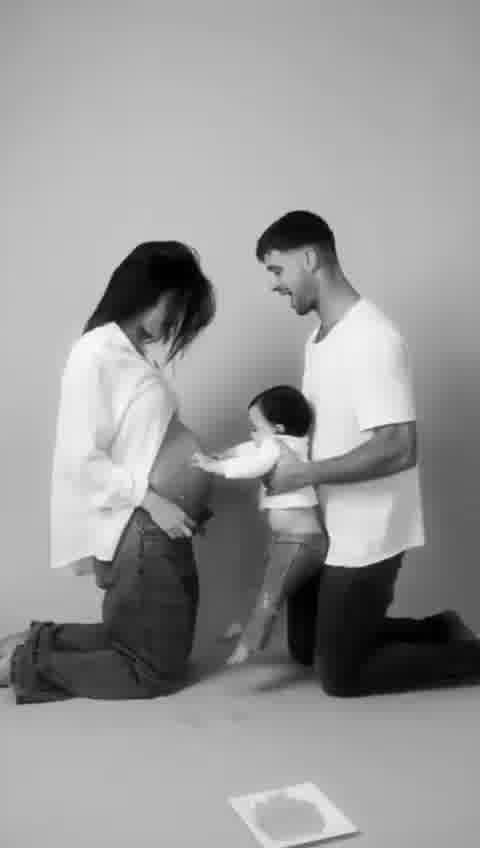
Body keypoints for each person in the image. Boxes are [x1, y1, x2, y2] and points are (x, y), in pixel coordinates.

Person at [255, 210, 480, 697]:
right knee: (304, 647)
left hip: (368, 532)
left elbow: (398, 448)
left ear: (309, 258)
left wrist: (302, 475)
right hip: (328, 527)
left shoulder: (373, 338)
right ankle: (439, 629)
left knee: (341, 676)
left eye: (277, 269)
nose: (274, 284)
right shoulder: (318, 340)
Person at [0, 241, 216, 702]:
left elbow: (144, 442)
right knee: (153, 671)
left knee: (144, 646)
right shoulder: (95, 352)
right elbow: (80, 457)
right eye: (176, 303)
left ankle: (32, 645)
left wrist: (189, 496)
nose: (177, 319)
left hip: (159, 527)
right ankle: (19, 664)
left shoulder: (128, 353)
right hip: (143, 527)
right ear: (148, 290)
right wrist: (156, 501)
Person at [193, 385, 328, 663]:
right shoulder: (290, 443)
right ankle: (244, 626)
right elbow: (249, 450)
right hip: (289, 539)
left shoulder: (276, 446)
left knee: (271, 593)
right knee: (262, 585)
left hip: (301, 542)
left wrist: (215, 466)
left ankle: (248, 645)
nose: (252, 433)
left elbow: (254, 464)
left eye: (256, 427)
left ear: (278, 428)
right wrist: (224, 454)